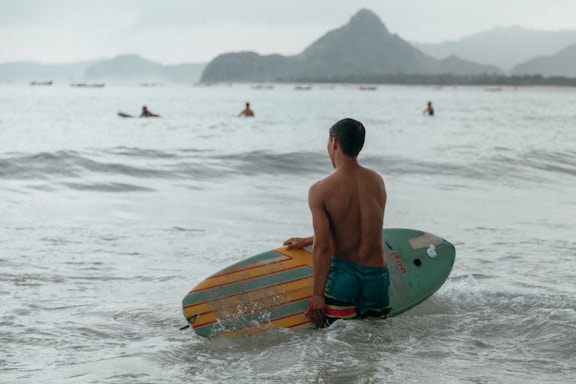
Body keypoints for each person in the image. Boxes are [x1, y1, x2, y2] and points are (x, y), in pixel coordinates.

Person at [283, 118, 390, 327]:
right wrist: (307, 239)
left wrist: (317, 295)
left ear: (334, 143)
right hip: (378, 277)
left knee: (335, 343)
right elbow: (362, 228)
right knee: (374, 343)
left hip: (344, 278)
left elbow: (323, 247)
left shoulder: (321, 190)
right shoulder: (376, 181)